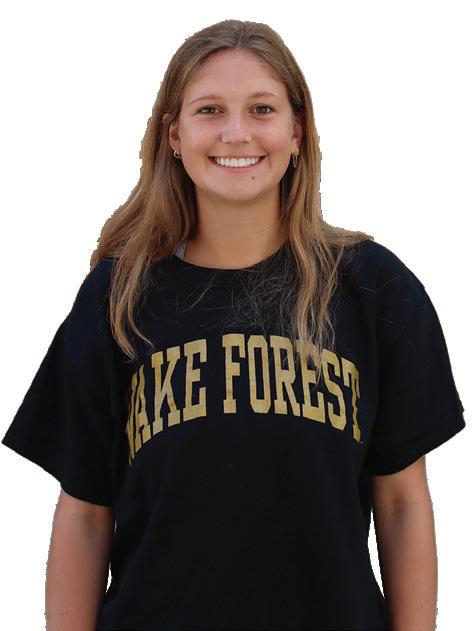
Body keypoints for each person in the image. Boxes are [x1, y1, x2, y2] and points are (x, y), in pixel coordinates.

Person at [1, 18, 466, 631]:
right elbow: (85, 514)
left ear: (297, 132)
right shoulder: (118, 298)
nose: (237, 132)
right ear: (173, 134)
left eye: (262, 109)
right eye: (210, 110)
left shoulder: (372, 289)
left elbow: (402, 504)